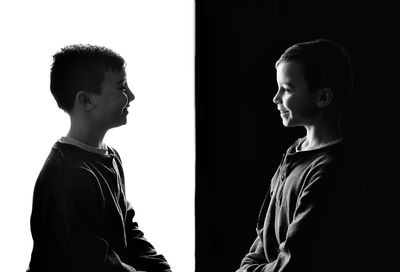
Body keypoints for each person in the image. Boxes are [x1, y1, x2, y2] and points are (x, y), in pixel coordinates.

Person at [28, 44, 172, 272]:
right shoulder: (66, 176)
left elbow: (127, 228)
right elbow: (94, 262)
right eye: (121, 87)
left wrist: (160, 267)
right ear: (86, 101)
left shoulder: (111, 156)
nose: (132, 96)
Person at [236, 39, 368, 272]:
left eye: (286, 89)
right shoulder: (294, 152)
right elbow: (262, 236)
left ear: (322, 98)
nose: (276, 98)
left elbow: (294, 263)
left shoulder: (329, 171)